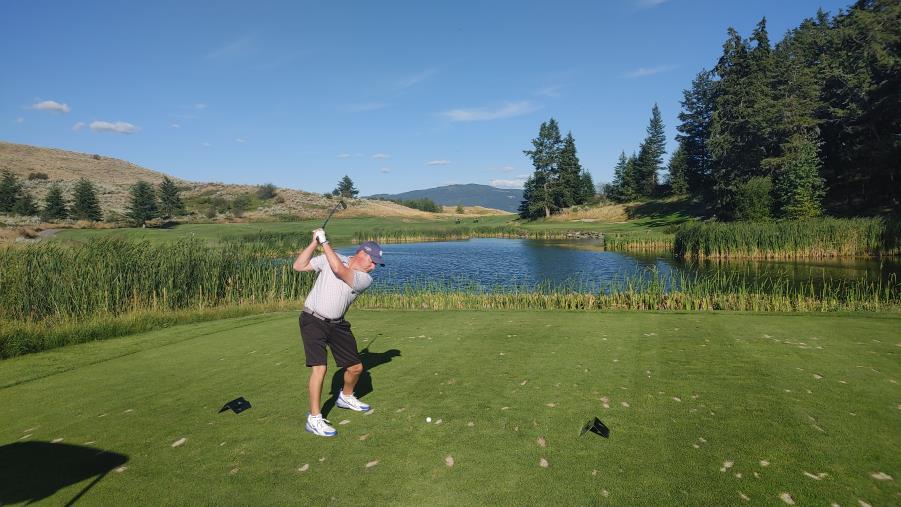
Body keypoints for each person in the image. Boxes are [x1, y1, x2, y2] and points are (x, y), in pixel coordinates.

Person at [293, 228, 384, 437]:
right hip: (312, 319)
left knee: (356, 368)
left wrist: (325, 243)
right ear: (362, 253)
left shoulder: (365, 279)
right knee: (320, 368)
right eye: (373, 262)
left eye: (376, 264)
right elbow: (299, 266)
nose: (373, 267)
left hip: (338, 324)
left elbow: (339, 270)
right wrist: (315, 243)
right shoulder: (333, 257)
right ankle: (314, 418)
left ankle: (345, 396)